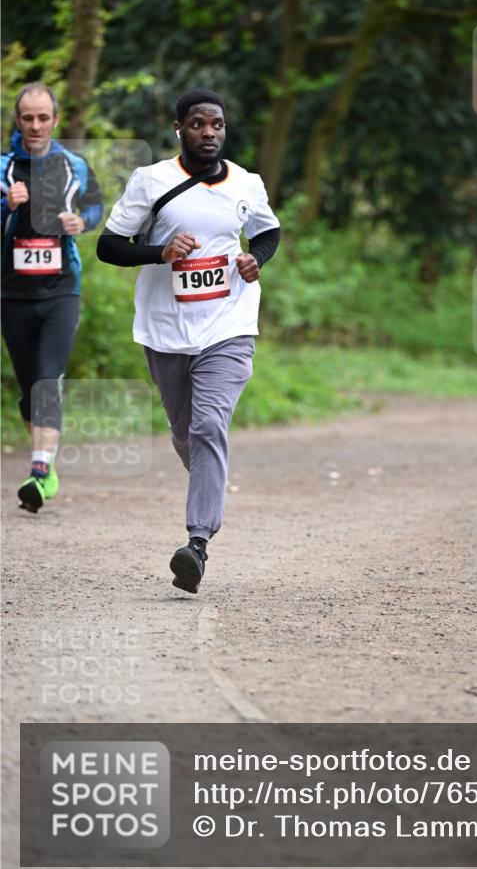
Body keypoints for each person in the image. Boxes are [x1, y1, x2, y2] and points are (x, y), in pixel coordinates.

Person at [97, 88, 280, 595]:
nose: (208, 133)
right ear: (180, 128)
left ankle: (197, 542)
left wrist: (254, 260)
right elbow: (109, 246)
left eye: (216, 125)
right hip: (166, 329)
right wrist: (159, 253)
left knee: (207, 425)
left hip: (229, 324)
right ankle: (207, 480)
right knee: (186, 434)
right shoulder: (151, 180)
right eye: (198, 124)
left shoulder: (246, 183)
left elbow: (267, 233)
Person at [1, 82, 104, 513]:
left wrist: (82, 221)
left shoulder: (74, 165)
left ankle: (40, 471)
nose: (36, 125)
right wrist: (7, 205)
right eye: (29, 118)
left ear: (56, 120)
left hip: (62, 289)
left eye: (44, 117)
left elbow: (96, 207)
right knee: (29, 391)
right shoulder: (4, 168)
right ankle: (46, 465)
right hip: (13, 293)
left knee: (48, 380)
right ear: (19, 120)